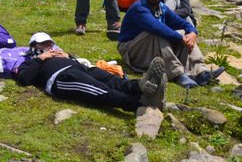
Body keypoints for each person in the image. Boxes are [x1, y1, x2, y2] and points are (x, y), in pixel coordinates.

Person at [15, 32, 167, 111]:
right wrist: (41, 58)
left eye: (49, 43)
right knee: (101, 91)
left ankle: (141, 86)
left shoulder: (58, 53)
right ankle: (139, 103)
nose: (48, 47)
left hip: (80, 68)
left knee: (111, 79)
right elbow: (24, 79)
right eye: (43, 44)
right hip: (62, 78)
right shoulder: (29, 61)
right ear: (34, 46)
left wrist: (69, 56)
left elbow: (76, 60)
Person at [117, 0, 223, 88]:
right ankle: (177, 74)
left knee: (183, 32)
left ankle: (201, 72)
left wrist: (192, 33)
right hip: (130, 50)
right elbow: (156, 27)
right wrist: (180, 39)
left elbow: (183, 24)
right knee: (157, 33)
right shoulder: (139, 8)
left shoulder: (162, 8)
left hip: (149, 48)